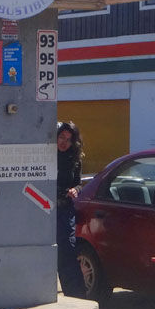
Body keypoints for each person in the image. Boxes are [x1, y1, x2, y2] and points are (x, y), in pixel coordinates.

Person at [56, 121, 85, 297]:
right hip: (47, 208)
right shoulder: (48, 157)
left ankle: (76, 295)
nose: (64, 142)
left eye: (68, 139)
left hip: (66, 210)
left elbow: (79, 183)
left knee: (68, 250)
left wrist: (76, 190)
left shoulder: (74, 159)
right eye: (61, 137)